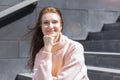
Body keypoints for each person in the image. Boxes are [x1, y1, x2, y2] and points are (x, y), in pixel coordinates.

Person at [28, 6, 89, 80]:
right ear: (41, 27)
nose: (50, 26)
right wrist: (47, 49)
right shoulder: (41, 53)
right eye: (46, 23)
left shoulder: (74, 47)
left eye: (54, 22)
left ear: (61, 26)